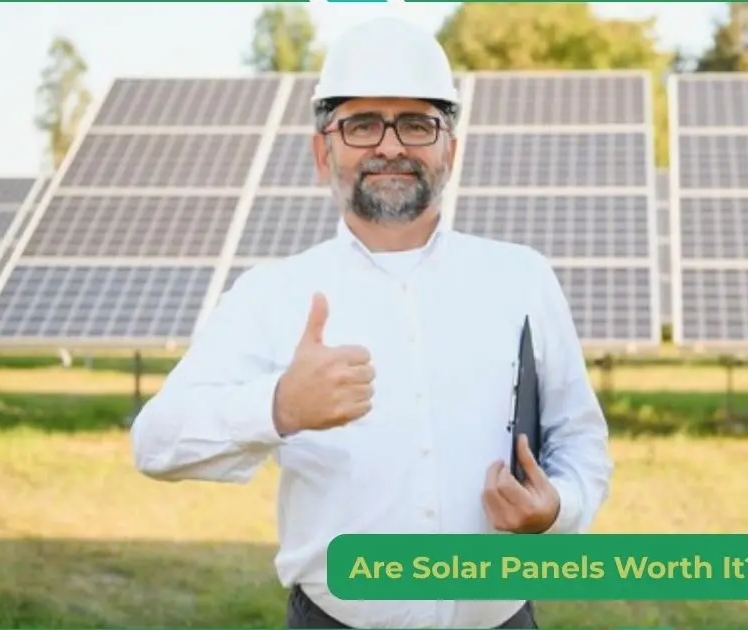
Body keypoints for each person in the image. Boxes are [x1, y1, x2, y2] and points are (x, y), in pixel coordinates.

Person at [129, 15, 613, 630]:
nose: (390, 146)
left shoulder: (523, 278)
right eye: (361, 124)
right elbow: (155, 443)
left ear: (450, 150)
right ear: (321, 150)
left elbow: (580, 442)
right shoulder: (272, 294)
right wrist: (278, 406)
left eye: (417, 123)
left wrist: (557, 508)